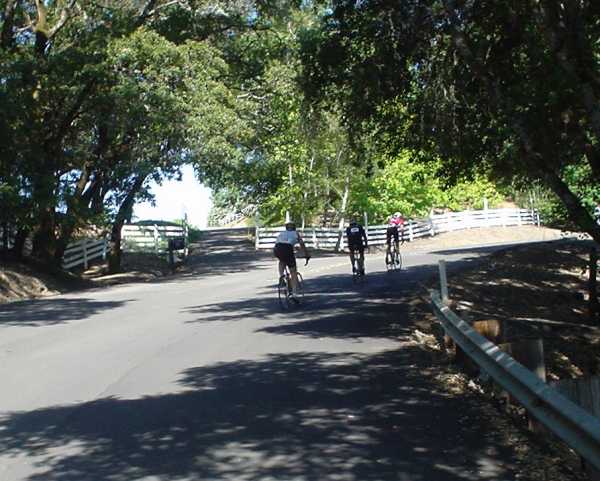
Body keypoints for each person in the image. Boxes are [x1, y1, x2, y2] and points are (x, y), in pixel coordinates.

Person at [273, 221, 310, 300]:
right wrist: (306, 255)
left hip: (277, 248)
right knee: (293, 272)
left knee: (282, 260)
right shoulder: (296, 233)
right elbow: (302, 245)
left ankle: (282, 276)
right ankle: (294, 293)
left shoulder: (282, 233)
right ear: (294, 228)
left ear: (286, 228)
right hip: (287, 249)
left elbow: (283, 243)